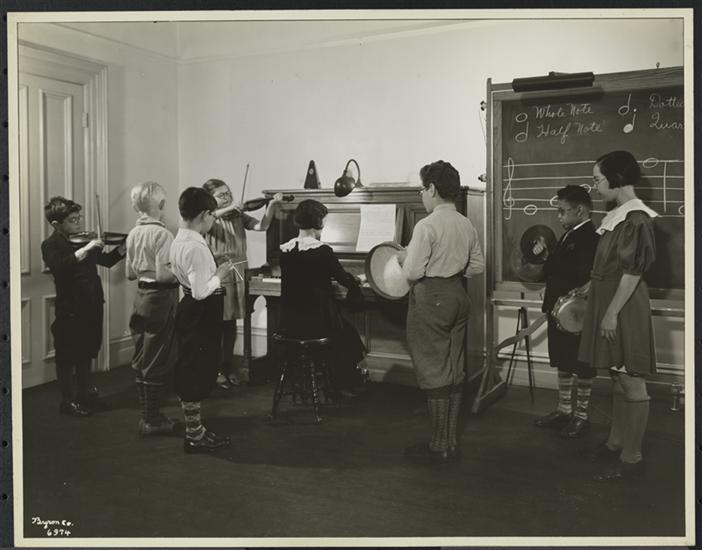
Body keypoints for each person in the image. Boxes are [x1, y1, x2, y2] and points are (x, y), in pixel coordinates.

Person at [579, 150, 659, 481]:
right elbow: (610, 266)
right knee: (616, 374)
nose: (595, 186)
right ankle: (616, 442)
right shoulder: (617, 216)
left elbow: (632, 273)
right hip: (609, 300)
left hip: (622, 306)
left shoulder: (636, 219)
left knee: (631, 380)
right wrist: (589, 286)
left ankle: (632, 456)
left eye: (598, 179)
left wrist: (611, 313)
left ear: (617, 179)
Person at [398, 160, 484, 463]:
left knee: (433, 370)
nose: (422, 194)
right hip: (458, 295)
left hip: (431, 298)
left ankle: (438, 445)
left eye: (423, 189)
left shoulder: (426, 225)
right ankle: (450, 440)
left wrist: (403, 259)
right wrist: (452, 271)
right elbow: (477, 266)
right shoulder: (465, 223)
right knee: (454, 367)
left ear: (432, 189)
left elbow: (412, 272)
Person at [41, 196, 126, 417]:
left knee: (87, 351)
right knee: (67, 355)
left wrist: (124, 247)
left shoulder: (82, 241)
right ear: (56, 224)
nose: (79, 223)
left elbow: (107, 261)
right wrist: (86, 248)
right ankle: (68, 402)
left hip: (93, 303)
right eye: (73, 220)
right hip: (70, 308)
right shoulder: (51, 245)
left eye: (79, 218)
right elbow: (60, 267)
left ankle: (84, 395)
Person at [169, 187, 236, 453]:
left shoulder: (181, 239)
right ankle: (194, 437)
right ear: (205, 214)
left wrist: (210, 266)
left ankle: (196, 431)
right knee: (196, 372)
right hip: (201, 310)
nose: (213, 221)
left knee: (193, 368)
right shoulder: (196, 246)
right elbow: (200, 292)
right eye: (213, 216)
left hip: (191, 310)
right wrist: (220, 274)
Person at [278, 199, 366, 397]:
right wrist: (359, 279)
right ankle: (340, 384)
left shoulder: (286, 249)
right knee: (349, 336)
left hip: (290, 321)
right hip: (317, 321)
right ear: (318, 222)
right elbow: (343, 278)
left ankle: (317, 379)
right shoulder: (322, 250)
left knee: (342, 331)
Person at [202, 178, 283, 390]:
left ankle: (227, 366)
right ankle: (215, 370)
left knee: (231, 323)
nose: (227, 197)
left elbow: (262, 226)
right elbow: (211, 217)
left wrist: (272, 205)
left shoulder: (237, 215)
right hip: (219, 270)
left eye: (228, 193)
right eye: (221, 195)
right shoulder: (207, 218)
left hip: (239, 269)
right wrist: (229, 208)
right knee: (218, 323)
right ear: (210, 199)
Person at [532, 185, 599, 438]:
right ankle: (564, 409)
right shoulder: (570, 234)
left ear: (579, 210)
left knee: (581, 363)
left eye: (562, 211)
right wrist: (547, 257)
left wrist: (551, 262)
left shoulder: (590, 237)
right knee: (562, 359)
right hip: (560, 310)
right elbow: (557, 269)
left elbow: (579, 273)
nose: (558, 216)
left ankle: (581, 416)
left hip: (575, 313)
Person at [125, 181, 179, 436]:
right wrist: (183, 272)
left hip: (140, 297)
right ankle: (151, 420)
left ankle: (148, 416)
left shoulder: (133, 234)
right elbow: (164, 276)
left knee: (141, 356)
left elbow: (129, 273)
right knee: (156, 357)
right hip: (159, 297)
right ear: (162, 204)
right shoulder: (163, 235)